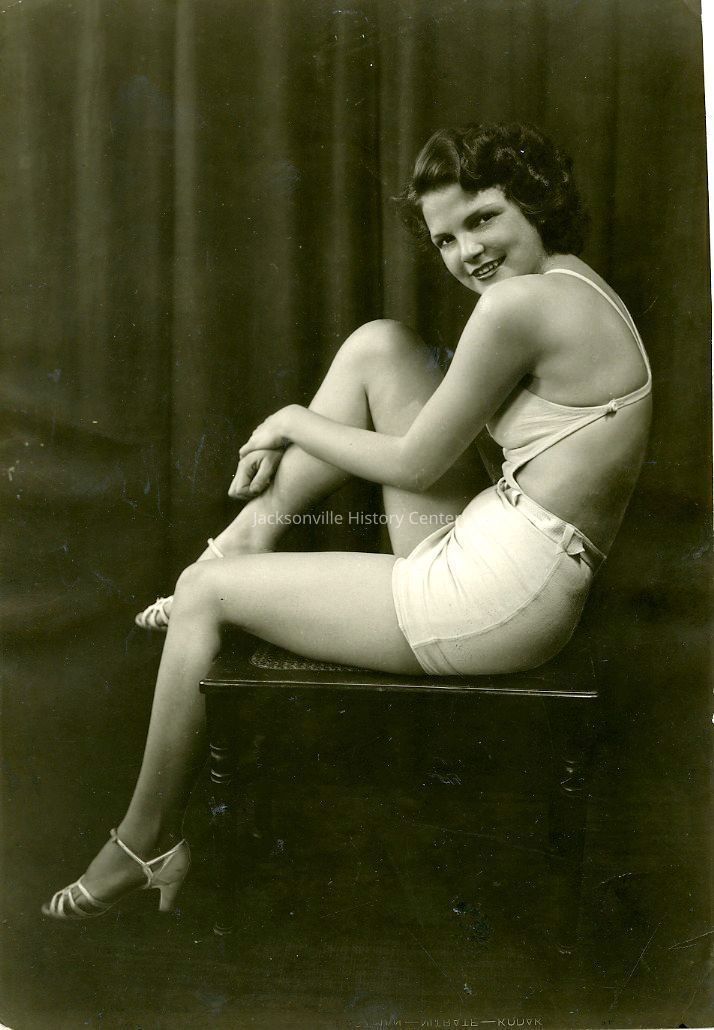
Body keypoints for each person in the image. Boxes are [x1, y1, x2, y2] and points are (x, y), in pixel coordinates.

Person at [42, 121, 651, 919]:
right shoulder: (572, 283)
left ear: (533, 201)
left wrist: (289, 418)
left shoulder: (517, 306)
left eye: (483, 219)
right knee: (379, 348)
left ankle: (142, 842)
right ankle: (240, 540)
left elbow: (415, 467)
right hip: (509, 550)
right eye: (445, 239)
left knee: (204, 597)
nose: (468, 252)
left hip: (501, 598)